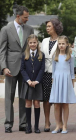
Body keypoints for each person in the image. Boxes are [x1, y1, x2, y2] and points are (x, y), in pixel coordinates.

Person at [0, 5, 34, 133]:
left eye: (28, 17)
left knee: (24, 97)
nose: (27, 19)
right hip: (10, 68)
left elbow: (32, 49)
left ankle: (23, 123)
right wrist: (4, 67)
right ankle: (8, 124)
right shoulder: (6, 29)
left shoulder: (30, 29)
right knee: (9, 97)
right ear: (18, 16)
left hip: (25, 67)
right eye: (25, 17)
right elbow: (2, 51)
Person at [49, 36, 76, 134]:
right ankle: (57, 125)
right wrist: (53, 81)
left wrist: (72, 81)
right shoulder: (55, 57)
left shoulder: (70, 56)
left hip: (66, 80)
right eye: (59, 44)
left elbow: (72, 71)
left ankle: (65, 125)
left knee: (65, 104)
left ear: (67, 44)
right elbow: (53, 71)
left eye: (63, 43)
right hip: (57, 80)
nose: (61, 45)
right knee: (56, 104)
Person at [41, 18, 63, 132]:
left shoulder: (62, 40)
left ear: (55, 27)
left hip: (57, 74)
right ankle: (46, 121)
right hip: (45, 73)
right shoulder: (44, 41)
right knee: (46, 99)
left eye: (49, 26)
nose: (47, 28)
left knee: (57, 100)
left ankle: (59, 122)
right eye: (47, 26)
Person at [20, 34, 45, 134]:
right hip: (28, 83)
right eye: (31, 43)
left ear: (37, 43)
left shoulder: (41, 55)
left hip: (37, 83)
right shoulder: (24, 55)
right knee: (28, 103)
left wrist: (37, 81)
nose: (33, 44)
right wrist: (29, 81)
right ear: (28, 43)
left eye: (34, 42)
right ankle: (28, 127)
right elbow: (22, 69)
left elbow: (42, 69)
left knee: (36, 104)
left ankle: (36, 127)